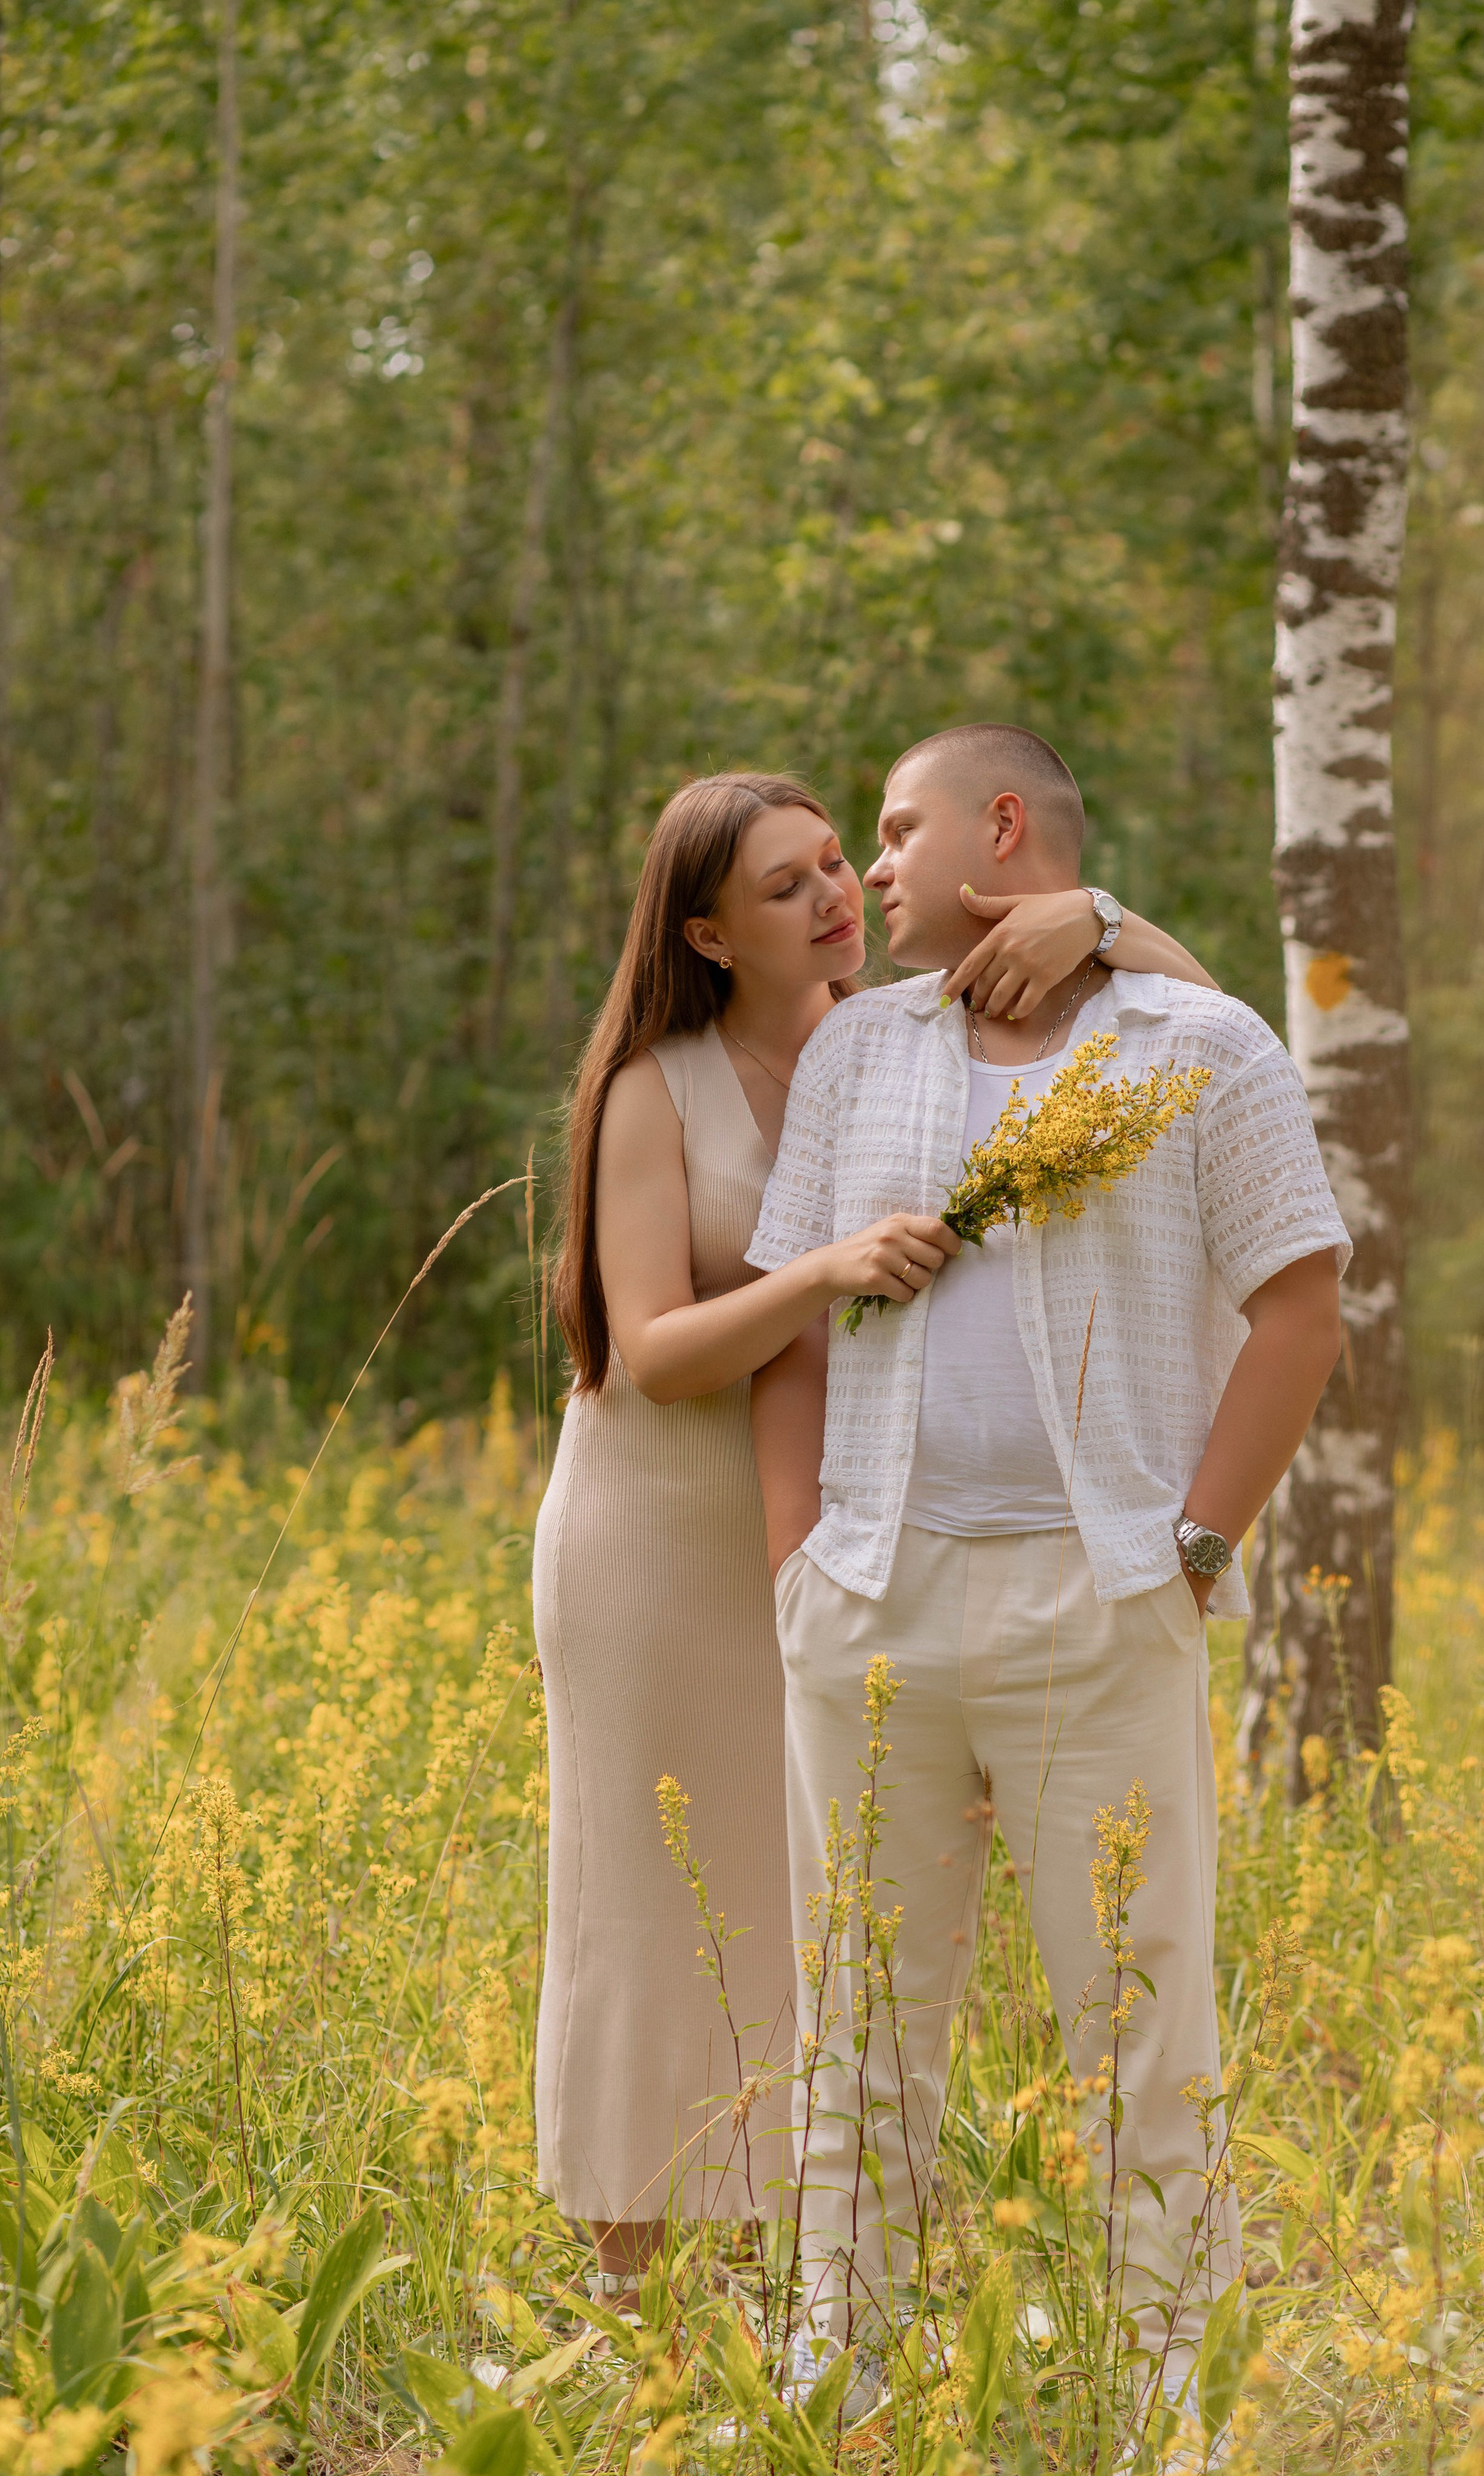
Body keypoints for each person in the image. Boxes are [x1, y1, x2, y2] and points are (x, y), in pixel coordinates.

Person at [536, 766, 1216, 2312]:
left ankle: (804, 2282)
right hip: (656, 1534)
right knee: (656, 1897)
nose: (837, 894)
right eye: (786, 887)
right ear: (707, 934)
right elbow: (651, 1347)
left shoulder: (894, 1038)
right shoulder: (658, 1086)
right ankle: (626, 2291)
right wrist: (828, 1266)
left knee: (818, 1910)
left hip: (838, 1530)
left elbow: (1208, 1037)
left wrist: (1098, 917)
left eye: (838, 860)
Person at [745, 725, 1350, 2425]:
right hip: (871, 1602)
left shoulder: (1202, 1041)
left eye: (895, 829)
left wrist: (1196, 1551)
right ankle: (837, 2389)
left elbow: (1300, 1308)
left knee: (1145, 2025)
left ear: (998, 828)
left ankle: (1178, 2412)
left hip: (1106, 1606)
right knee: (861, 2018)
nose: (869, 869)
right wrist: (803, 1562)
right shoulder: (860, 1053)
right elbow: (794, 1318)